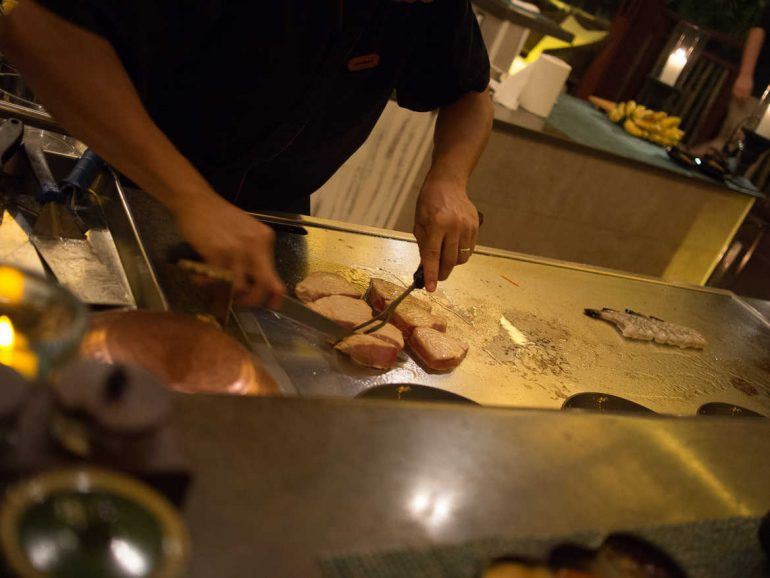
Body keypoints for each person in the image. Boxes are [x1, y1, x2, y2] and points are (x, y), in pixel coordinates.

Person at [0, 1, 493, 307]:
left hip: (270, 223)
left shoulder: (427, 5)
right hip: (129, 189)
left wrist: (448, 179)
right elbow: (36, 29)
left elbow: (470, 93)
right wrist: (192, 198)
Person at [694, 7, 770, 155]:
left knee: (751, 158)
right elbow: (758, 32)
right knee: (728, 146)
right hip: (757, 91)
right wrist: (745, 75)